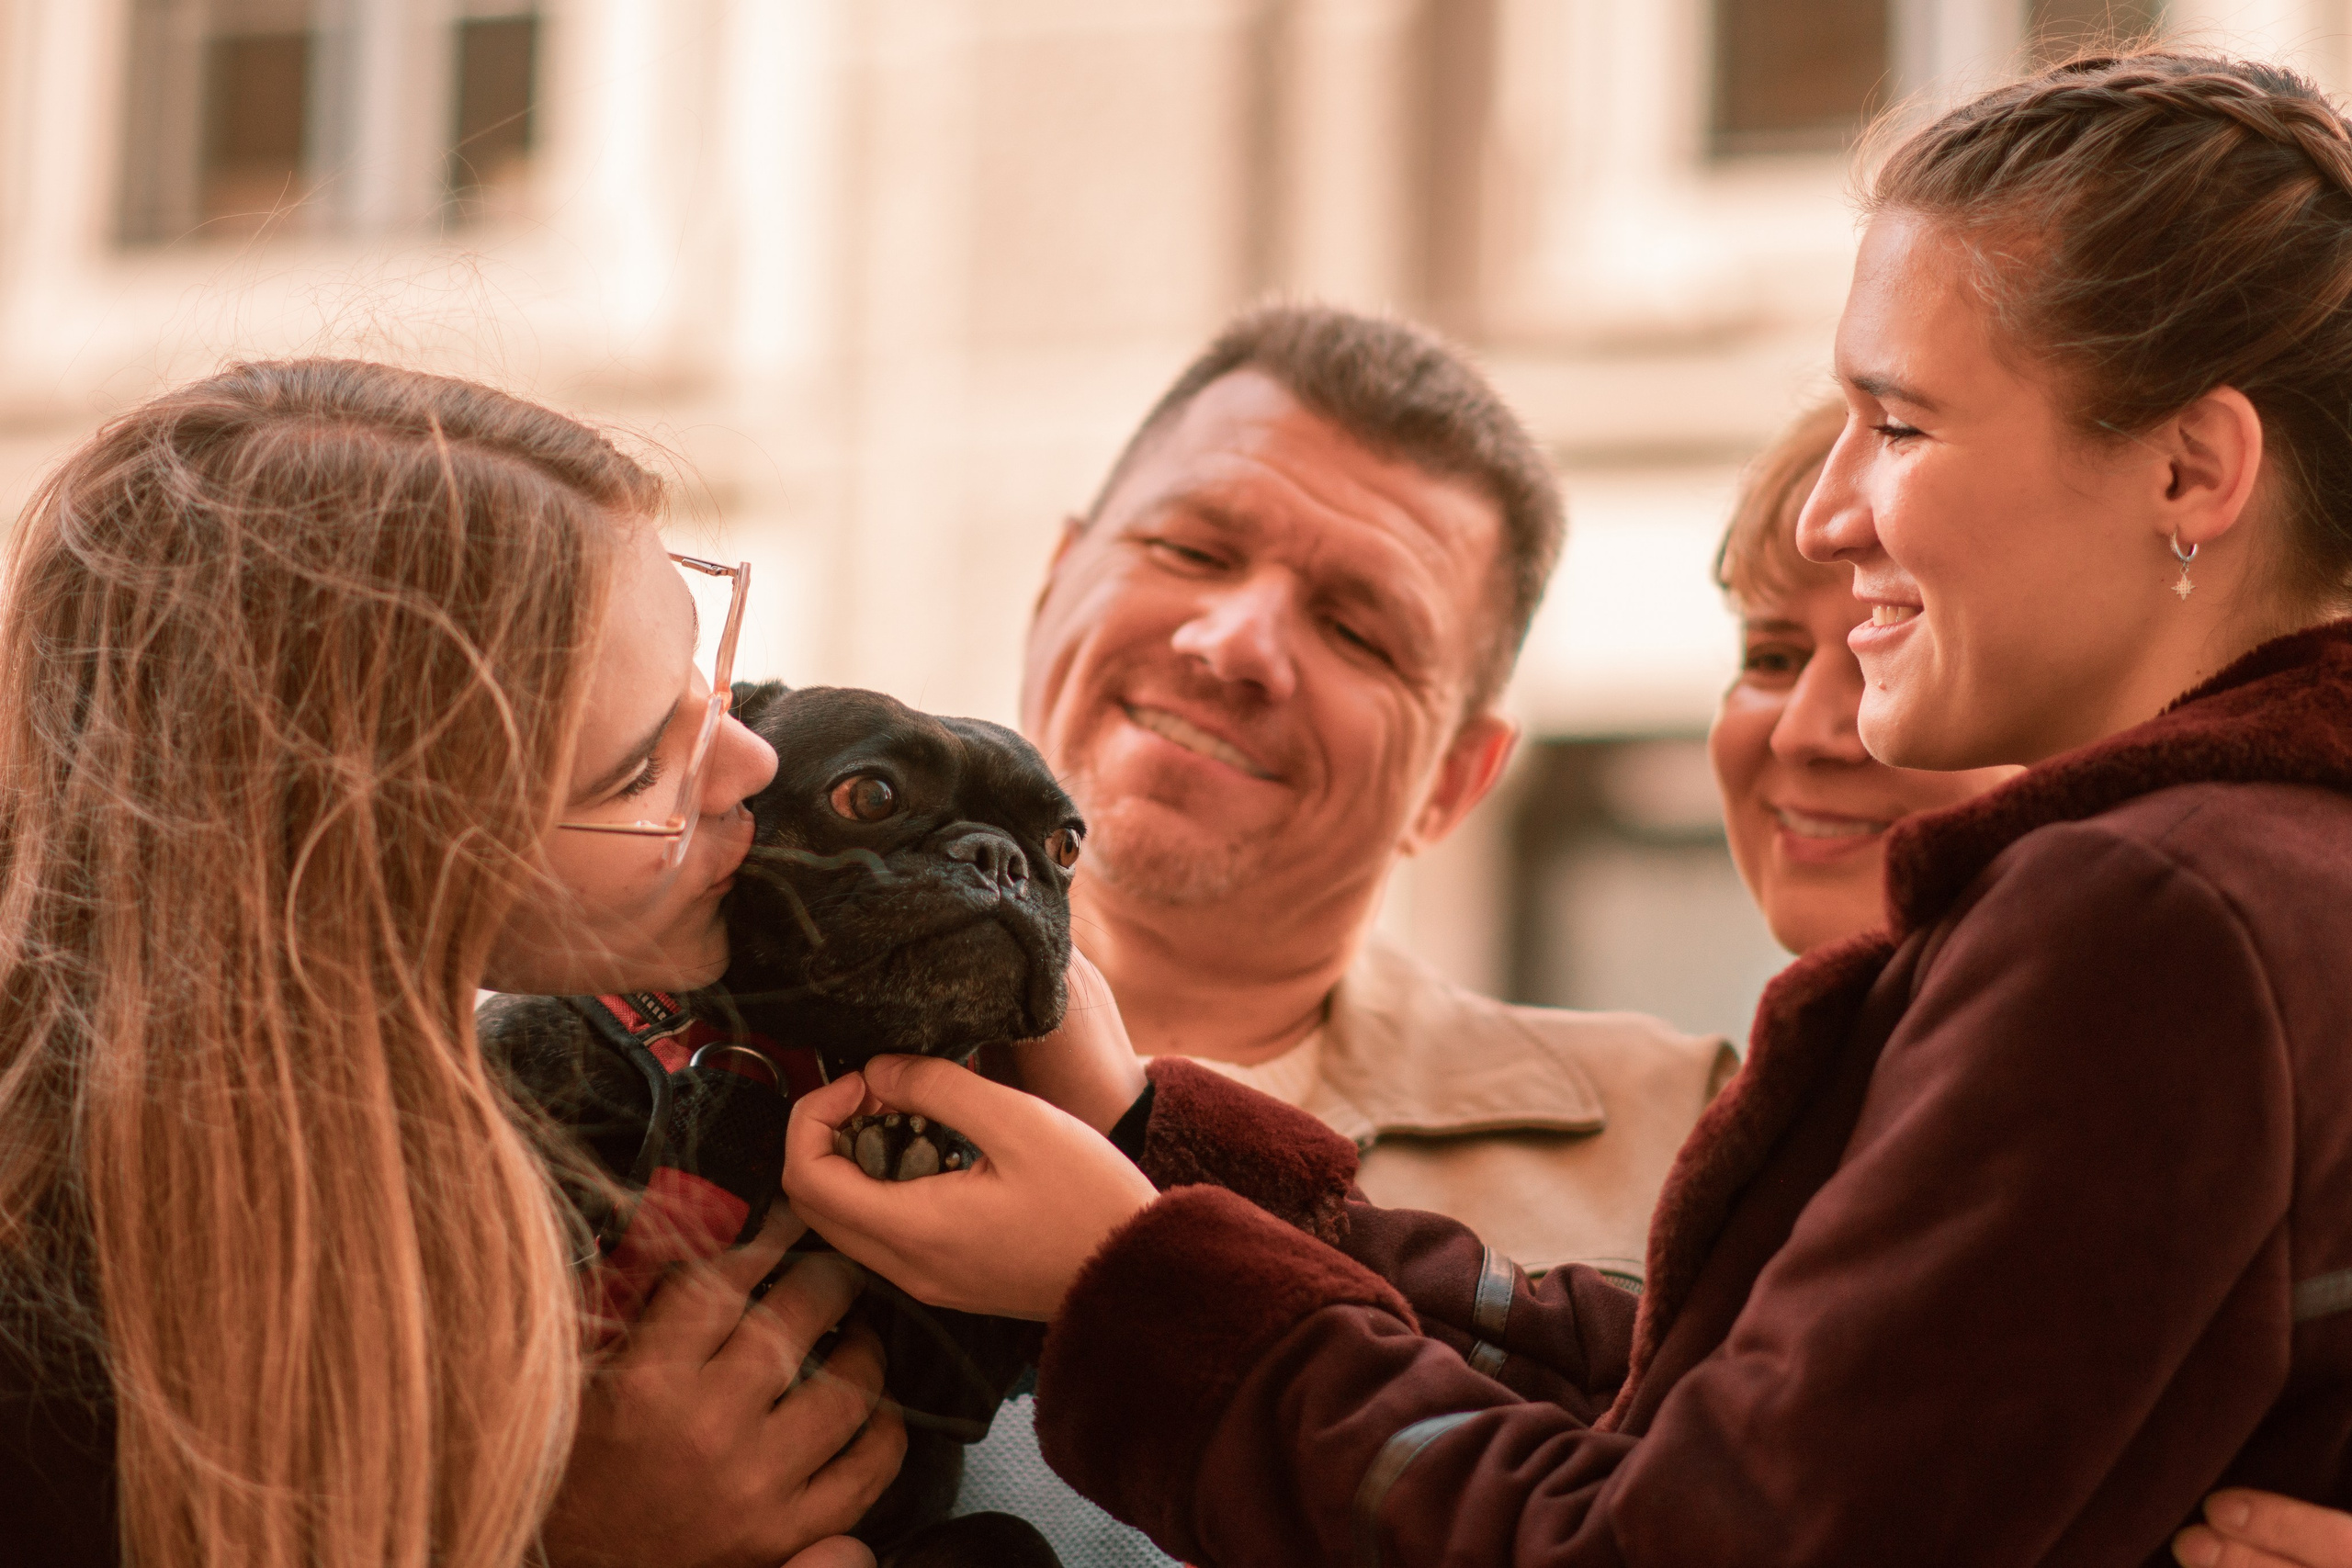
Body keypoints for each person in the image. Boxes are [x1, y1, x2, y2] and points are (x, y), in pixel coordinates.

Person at [786, 51, 2352, 1563]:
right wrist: (1147, 1140)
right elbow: (1709, 1413)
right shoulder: (2257, 876)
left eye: (1902, 421)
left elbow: (1675, 1533)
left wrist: (1122, 1279)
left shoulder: (2157, 905)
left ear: (2192, 470)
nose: (1832, 508)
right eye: (1195, 551)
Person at [0, 360, 899, 1568]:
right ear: (361, 879)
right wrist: (577, 1544)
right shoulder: (41, 1342)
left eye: (705, 670)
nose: (752, 764)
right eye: (638, 773)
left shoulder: (464, 1126)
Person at [949, 305, 1730, 1561]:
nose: (1239, 643)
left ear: (1458, 780)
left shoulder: (1695, 1138)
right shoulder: (721, 1050)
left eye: (1360, 629)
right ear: (1055, 576)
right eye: (1193, 547)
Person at [1713, 400, 2352, 1568]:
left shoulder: (2198, 990)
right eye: (1765, 655)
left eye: (1886, 628)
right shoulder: (1701, 1119)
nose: (1813, 726)